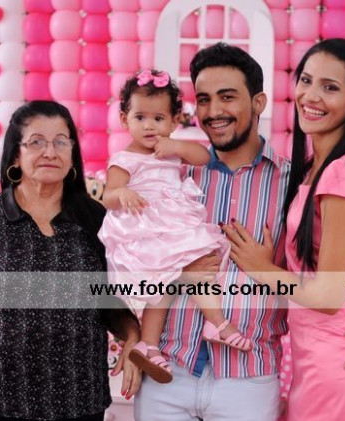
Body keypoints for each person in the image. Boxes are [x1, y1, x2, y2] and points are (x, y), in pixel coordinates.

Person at [134, 42, 345, 421]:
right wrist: (134, 340)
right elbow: (131, 257)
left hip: (249, 378)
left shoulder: (297, 181)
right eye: (204, 100)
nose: (214, 111)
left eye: (228, 97)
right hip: (168, 371)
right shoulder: (171, 176)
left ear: (259, 102)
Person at [220, 39, 345, 420]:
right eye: (306, 80)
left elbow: (328, 294)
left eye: (330, 87)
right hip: (319, 358)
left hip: (339, 359)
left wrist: (262, 269)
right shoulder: (319, 168)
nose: (311, 96)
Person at [0, 101, 141, 421]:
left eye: (61, 142)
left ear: (72, 153)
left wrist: (132, 336)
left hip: (80, 402)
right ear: (15, 155)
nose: (50, 152)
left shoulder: (95, 219)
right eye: (36, 142)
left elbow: (110, 305)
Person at [99, 69, 251, 385]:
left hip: (175, 225)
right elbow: (108, 196)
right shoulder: (124, 159)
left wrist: (176, 147)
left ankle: (205, 326)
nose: (149, 126)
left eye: (158, 119)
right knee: (162, 287)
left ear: (174, 121)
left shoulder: (170, 149)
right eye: (140, 118)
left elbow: (203, 156)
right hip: (147, 230)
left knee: (201, 264)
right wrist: (122, 193)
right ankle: (158, 341)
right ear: (125, 120)